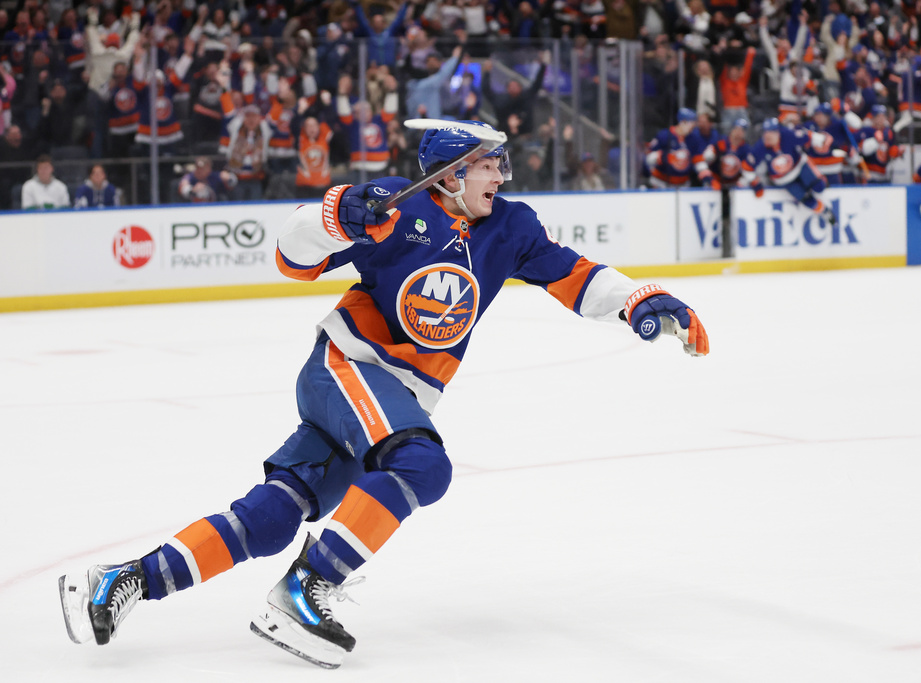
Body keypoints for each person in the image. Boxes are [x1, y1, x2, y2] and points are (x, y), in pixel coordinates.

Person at [58, 121, 709, 669]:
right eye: (489, 164)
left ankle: (125, 579)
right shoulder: (394, 207)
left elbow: (576, 275)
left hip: (393, 399)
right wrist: (337, 213)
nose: (501, 176)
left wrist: (639, 300)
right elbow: (291, 257)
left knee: (275, 515)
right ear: (451, 173)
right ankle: (308, 586)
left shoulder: (510, 227)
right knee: (422, 464)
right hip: (348, 367)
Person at [743, 117, 837, 226]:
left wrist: (824, 140)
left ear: (778, 132)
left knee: (819, 187)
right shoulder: (760, 147)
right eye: (766, 133)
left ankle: (820, 181)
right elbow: (747, 167)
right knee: (807, 200)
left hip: (800, 167)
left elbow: (809, 137)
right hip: (784, 180)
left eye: (771, 132)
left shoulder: (788, 135)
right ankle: (825, 211)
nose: (768, 136)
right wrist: (755, 183)